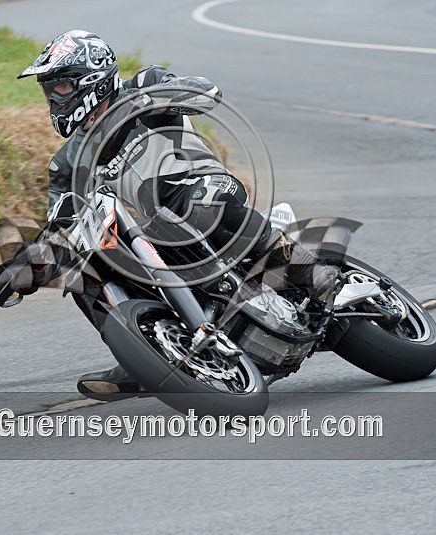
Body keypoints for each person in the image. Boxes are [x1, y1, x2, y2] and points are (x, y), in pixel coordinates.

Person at [17, 29, 337, 399]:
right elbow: (62, 224)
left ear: (91, 78)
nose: (54, 101)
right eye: (49, 91)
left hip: (206, 189)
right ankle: (145, 350)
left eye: (60, 88)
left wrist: (147, 102)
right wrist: (26, 267)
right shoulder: (67, 162)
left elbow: (205, 91)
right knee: (84, 266)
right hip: (158, 231)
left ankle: (310, 271)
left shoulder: (143, 83)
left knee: (192, 204)